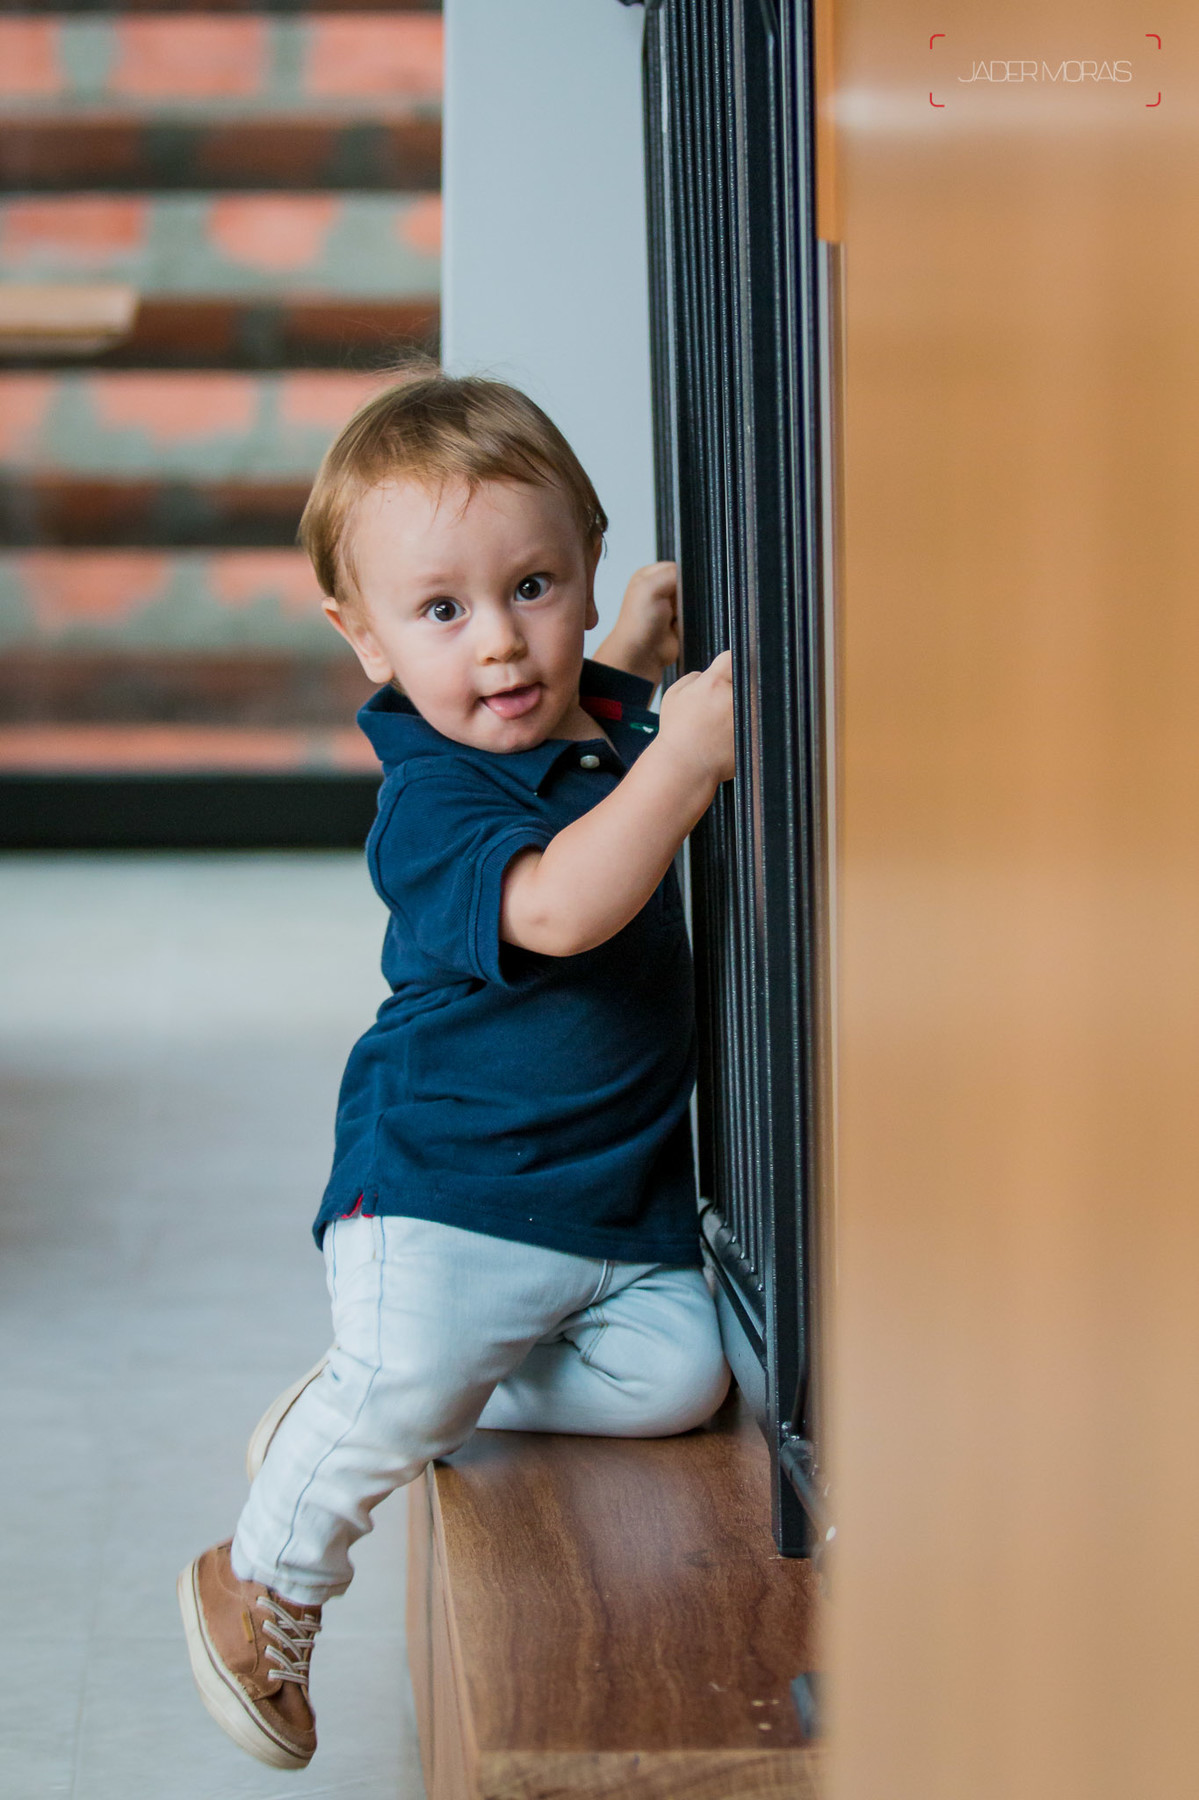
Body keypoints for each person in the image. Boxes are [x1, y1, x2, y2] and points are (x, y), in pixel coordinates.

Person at [177, 369, 735, 1771]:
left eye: (534, 587)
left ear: (587, 563)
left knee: (685, 1381)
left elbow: (604, 721)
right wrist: (681, 765)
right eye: (441, 611)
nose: (498, 642)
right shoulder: (433, 796)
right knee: (418, 1366)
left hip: (606, 1209)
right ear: (363, 637)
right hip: (446, 1190)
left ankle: (376, 1392)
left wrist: (640, 652)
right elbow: (561, 904)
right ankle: (263, 1577)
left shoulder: (593, 716)